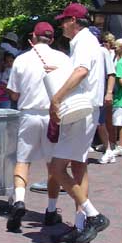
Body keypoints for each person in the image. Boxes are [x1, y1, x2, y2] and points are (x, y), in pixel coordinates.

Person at [50, 3, 109, 243]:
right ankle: (80, 223)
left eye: (64, 20)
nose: (62, 24)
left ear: (74, 21)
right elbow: (82, 70)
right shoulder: (89, 42)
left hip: (81, 110)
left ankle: (92, 215)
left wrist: (57, 97)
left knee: (56, 168)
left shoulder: (83, 42)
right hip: (89, 109)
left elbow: (82, 71)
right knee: (79, 166)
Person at [6, 22, 71, 231]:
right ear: (51, 39)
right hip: (52, 114)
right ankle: (51, 210)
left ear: (33, 37)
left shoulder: (21, 59)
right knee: (53, 165)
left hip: (28, 113)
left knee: (23, 160)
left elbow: (14, 94)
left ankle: (19, 199)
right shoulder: (63, 59)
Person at [96, 31, 116, 164]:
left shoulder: (103, 51)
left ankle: (108, 150)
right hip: (87, 92)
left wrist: (109, 92)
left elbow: (111, 73)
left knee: (99, 122)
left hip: (99, 91)